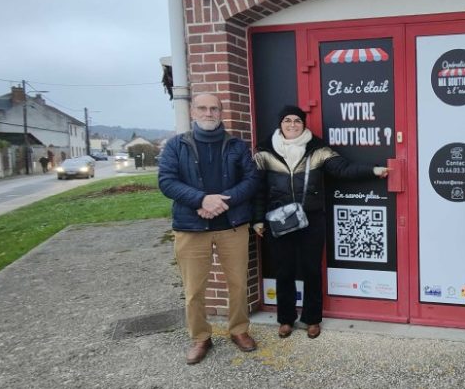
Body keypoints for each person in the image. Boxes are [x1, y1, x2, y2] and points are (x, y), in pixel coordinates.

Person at [252, 105, 388, 340]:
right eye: (287, 120)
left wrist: (373, 170)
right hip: (278, 221)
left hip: (311, 220)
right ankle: (285, 319)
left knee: (311, 270)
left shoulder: (318, 149)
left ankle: (312, 319)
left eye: (297, 120)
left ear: (303, 124)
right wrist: (257, 219)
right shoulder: (264, 151)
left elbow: (344, 169)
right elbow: (258, 189)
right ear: (280, 124)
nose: (292, 124)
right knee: (284, 271)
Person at [158, 93, 260, 365]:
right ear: (193, 112)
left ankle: (239, 330)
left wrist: (221, 201)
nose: (209, 113)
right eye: (203, 108)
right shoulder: (175, 146)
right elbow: (167, 181)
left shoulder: (237, 146)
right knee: (194, 289)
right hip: (191, 227)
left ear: (221, 113)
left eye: (214, 109)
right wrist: (201, 200)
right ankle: (200, 337)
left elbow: (251, 180)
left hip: (232, 226)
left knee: (238, 284)